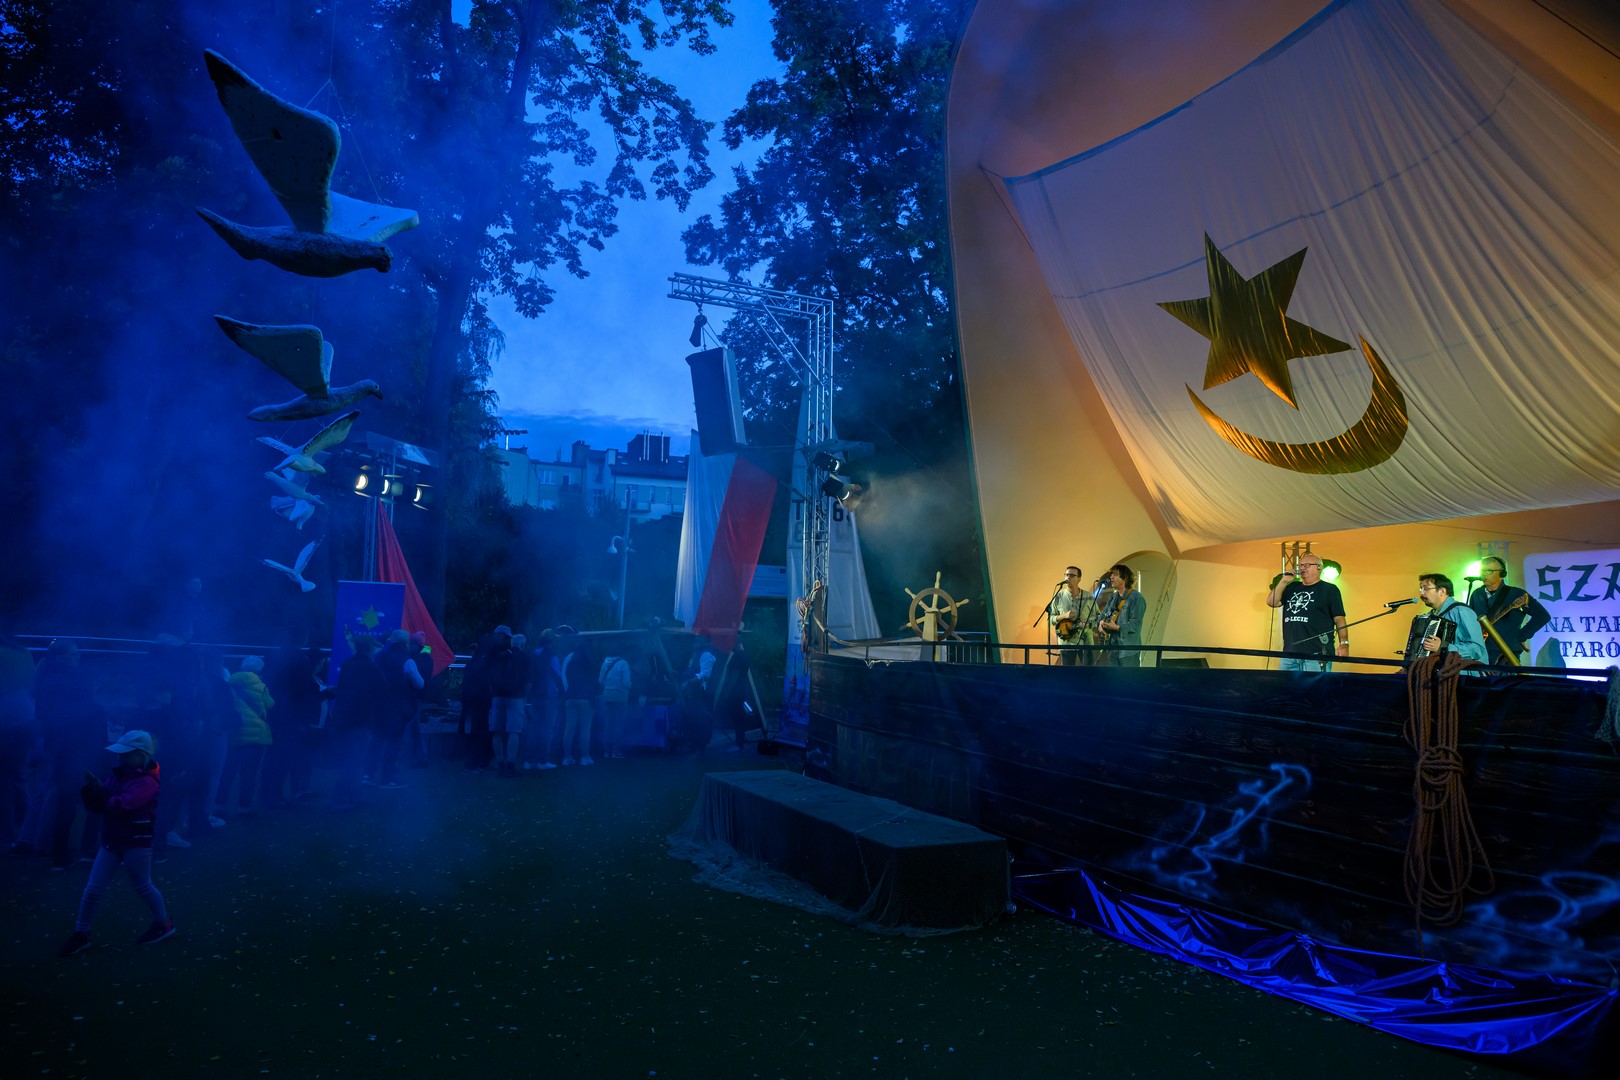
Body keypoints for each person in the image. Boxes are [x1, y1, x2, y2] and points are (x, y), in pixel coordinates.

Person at [58, 730, 175, 956]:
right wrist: (97, 790)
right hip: (113, 840)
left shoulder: (147, 781)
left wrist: (98, 793)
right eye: (121, 753)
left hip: (136, 842)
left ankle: (164, 923)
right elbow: (109, 800)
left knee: (143, 886)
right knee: (93, 889)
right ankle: (81, 933)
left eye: (126, 754)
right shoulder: (122, 774)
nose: (121, 757)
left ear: (141, 755)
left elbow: (120, 805)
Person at [1265, 554, 1347, 672]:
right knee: (1285, 684)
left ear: (1319, 568)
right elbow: (1271, 602)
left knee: (1316, 684)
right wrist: (1283, 581)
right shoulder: (1292, 587)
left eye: (1307, 565)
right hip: (1289, 653)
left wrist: (1344, 643)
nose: (1303, 568)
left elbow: (1339, 618)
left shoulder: (1330, 589)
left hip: (1317, 653)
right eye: (1301, 565)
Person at [1466, 556, 1552, 665]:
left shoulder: (1516, 593)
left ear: (1502, 574)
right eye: (1482, 571)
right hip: (1480, 651)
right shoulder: (1477, 594)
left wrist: (1522, 636)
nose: (1484, 574)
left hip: (1506, 653)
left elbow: (1542, 615)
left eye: (1489, 571)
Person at [370, 629, 425, 788]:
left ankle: (368, 775)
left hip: (379, 706)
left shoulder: (379, 657)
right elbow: (419, 684)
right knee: (393, 742)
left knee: (376, 740)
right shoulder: (407, 661)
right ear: (405, 643)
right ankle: (387, 778)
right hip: (398, 707)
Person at [1416, 573, 1488, 664]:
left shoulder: (1462, 611)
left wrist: (1443, 648)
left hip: (1466, 671)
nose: (1421, 593)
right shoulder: (1430, 616)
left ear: (1442, 591)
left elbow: (1478, 649)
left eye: (1426, 588)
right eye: (1421, 589)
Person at [486, 628, 530, 778]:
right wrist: (525, 696)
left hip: (497, 697)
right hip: (516, 697)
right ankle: (511, 765)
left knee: (497, 731)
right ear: (523, 645)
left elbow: (490, 676)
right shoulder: (525, 658)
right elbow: (529, 680)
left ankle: (500, 765)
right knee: (514, 731)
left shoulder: (500, 655)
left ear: (512, 643)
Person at [557, 628, 596, 766]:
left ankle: (567, 757)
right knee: (585, 729)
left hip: (570, 698)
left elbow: (563, 676)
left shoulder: (569, 657)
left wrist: (567, 692)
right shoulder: (590, 660)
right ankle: (585, 757)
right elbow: (593, 680)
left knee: (569, 728)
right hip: (585, 699)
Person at [1097, 564, 1147, 667]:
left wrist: (1117, 627)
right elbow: (1102, 616)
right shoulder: (1113, 597)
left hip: (1128, 650)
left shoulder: (1136, 598)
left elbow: (1135, 624)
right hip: (1112, 648)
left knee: (1129, 676)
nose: (1111, 577)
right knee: (1113, 676)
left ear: (1125, 578)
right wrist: (1101, 623)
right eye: (1111, 574)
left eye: (1115, 574)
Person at [598, 647, 634, 759]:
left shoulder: (605, 663)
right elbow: (626, 682)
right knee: (619, 724)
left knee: (608, 723)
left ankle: (606, 750)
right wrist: (630, 686)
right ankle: (615, 751)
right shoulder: (624, 663)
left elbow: (600, 680)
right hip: (620, 697)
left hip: (607, 695)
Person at [1048, 566, 1087, 667]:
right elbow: (1050, 619)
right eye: (1066, 575)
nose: (1068, 577)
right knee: (1068, 671)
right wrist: (1064, 616)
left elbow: (1097, 617)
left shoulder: (1088, 597)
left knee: (1089, 671)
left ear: (1079, 579)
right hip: (1066, 641)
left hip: (1085, 641)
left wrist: (1088, 624)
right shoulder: (1058, 597)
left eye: (1072, 575)